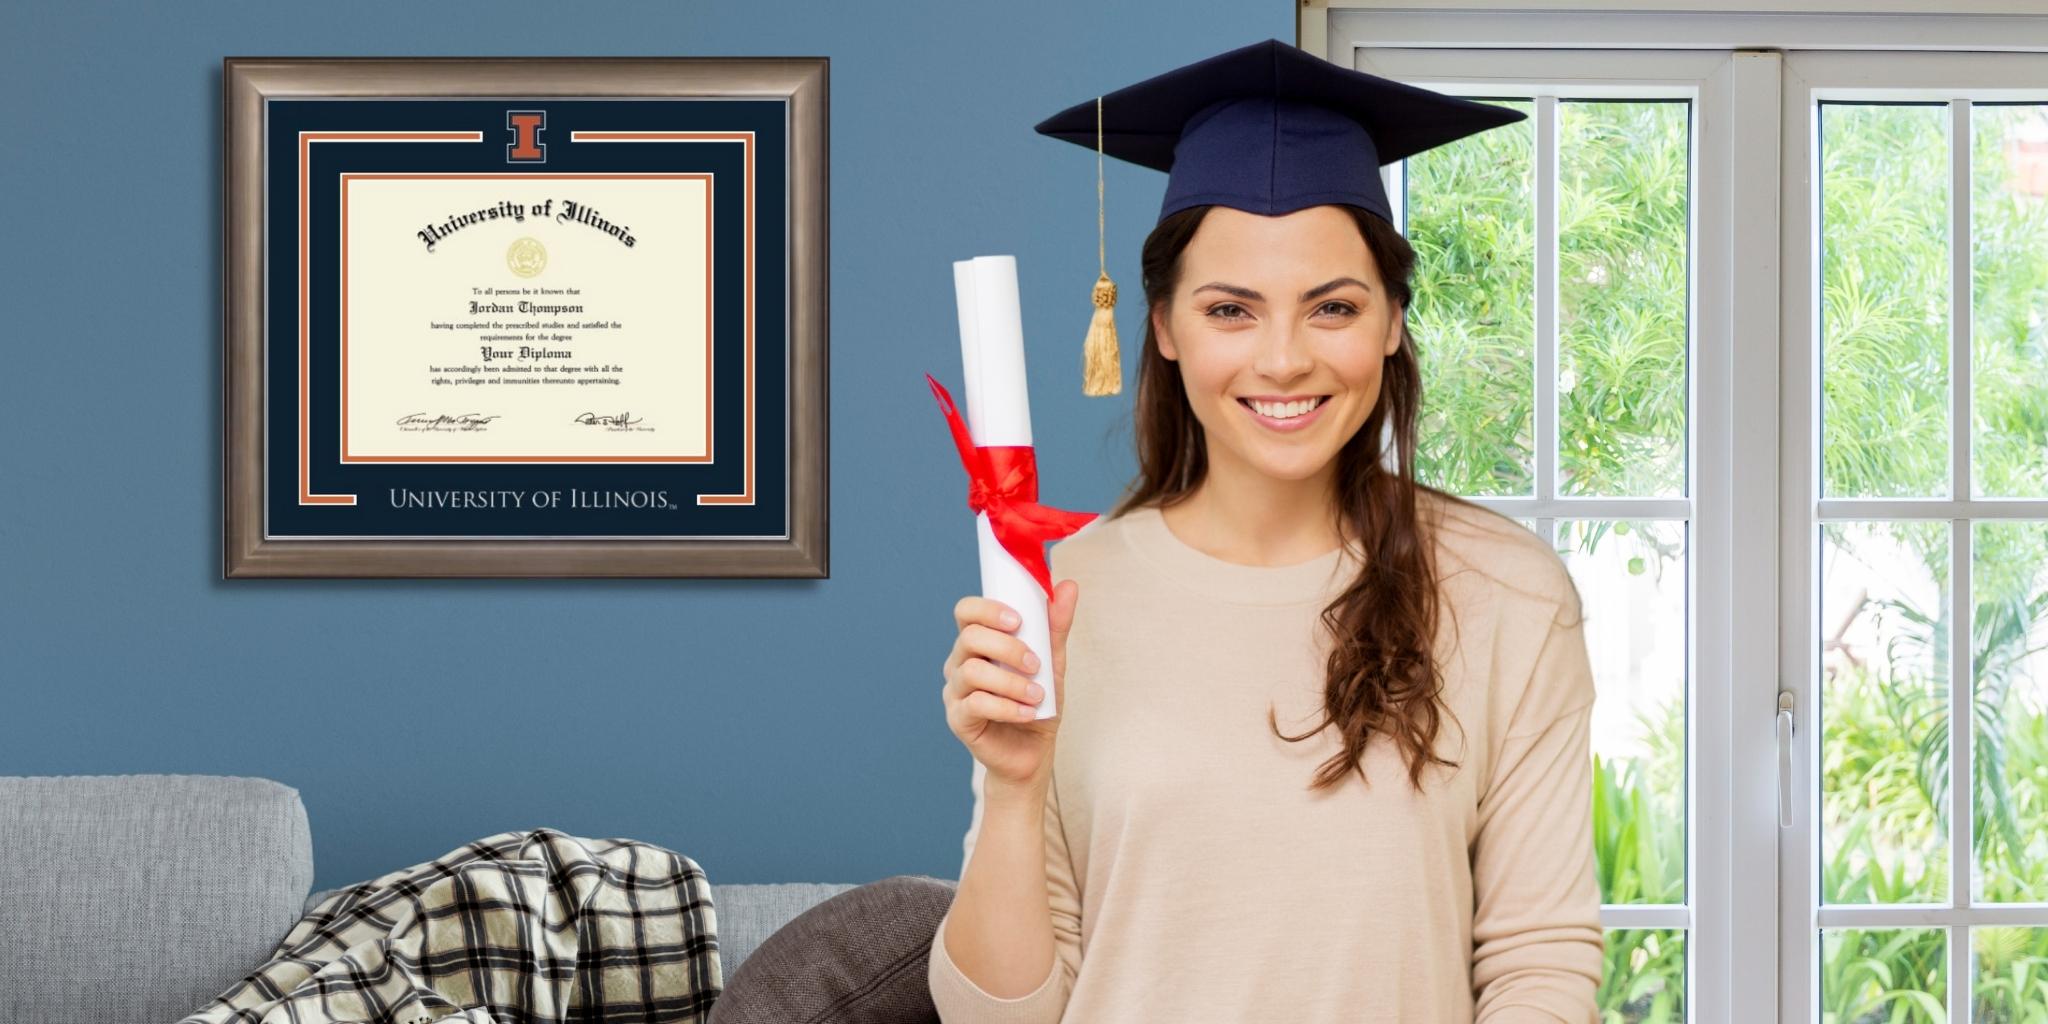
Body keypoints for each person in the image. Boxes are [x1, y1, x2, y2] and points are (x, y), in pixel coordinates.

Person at [930, 38, 1604, 1023]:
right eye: (1229, 309)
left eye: (1331, 306)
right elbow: (997, 1016)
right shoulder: (1055, 594)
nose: (1282, 358)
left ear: (1390, 322)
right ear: (1162, 326)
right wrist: (1011, 783)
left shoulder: (1506, 593)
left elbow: (1537, 966)